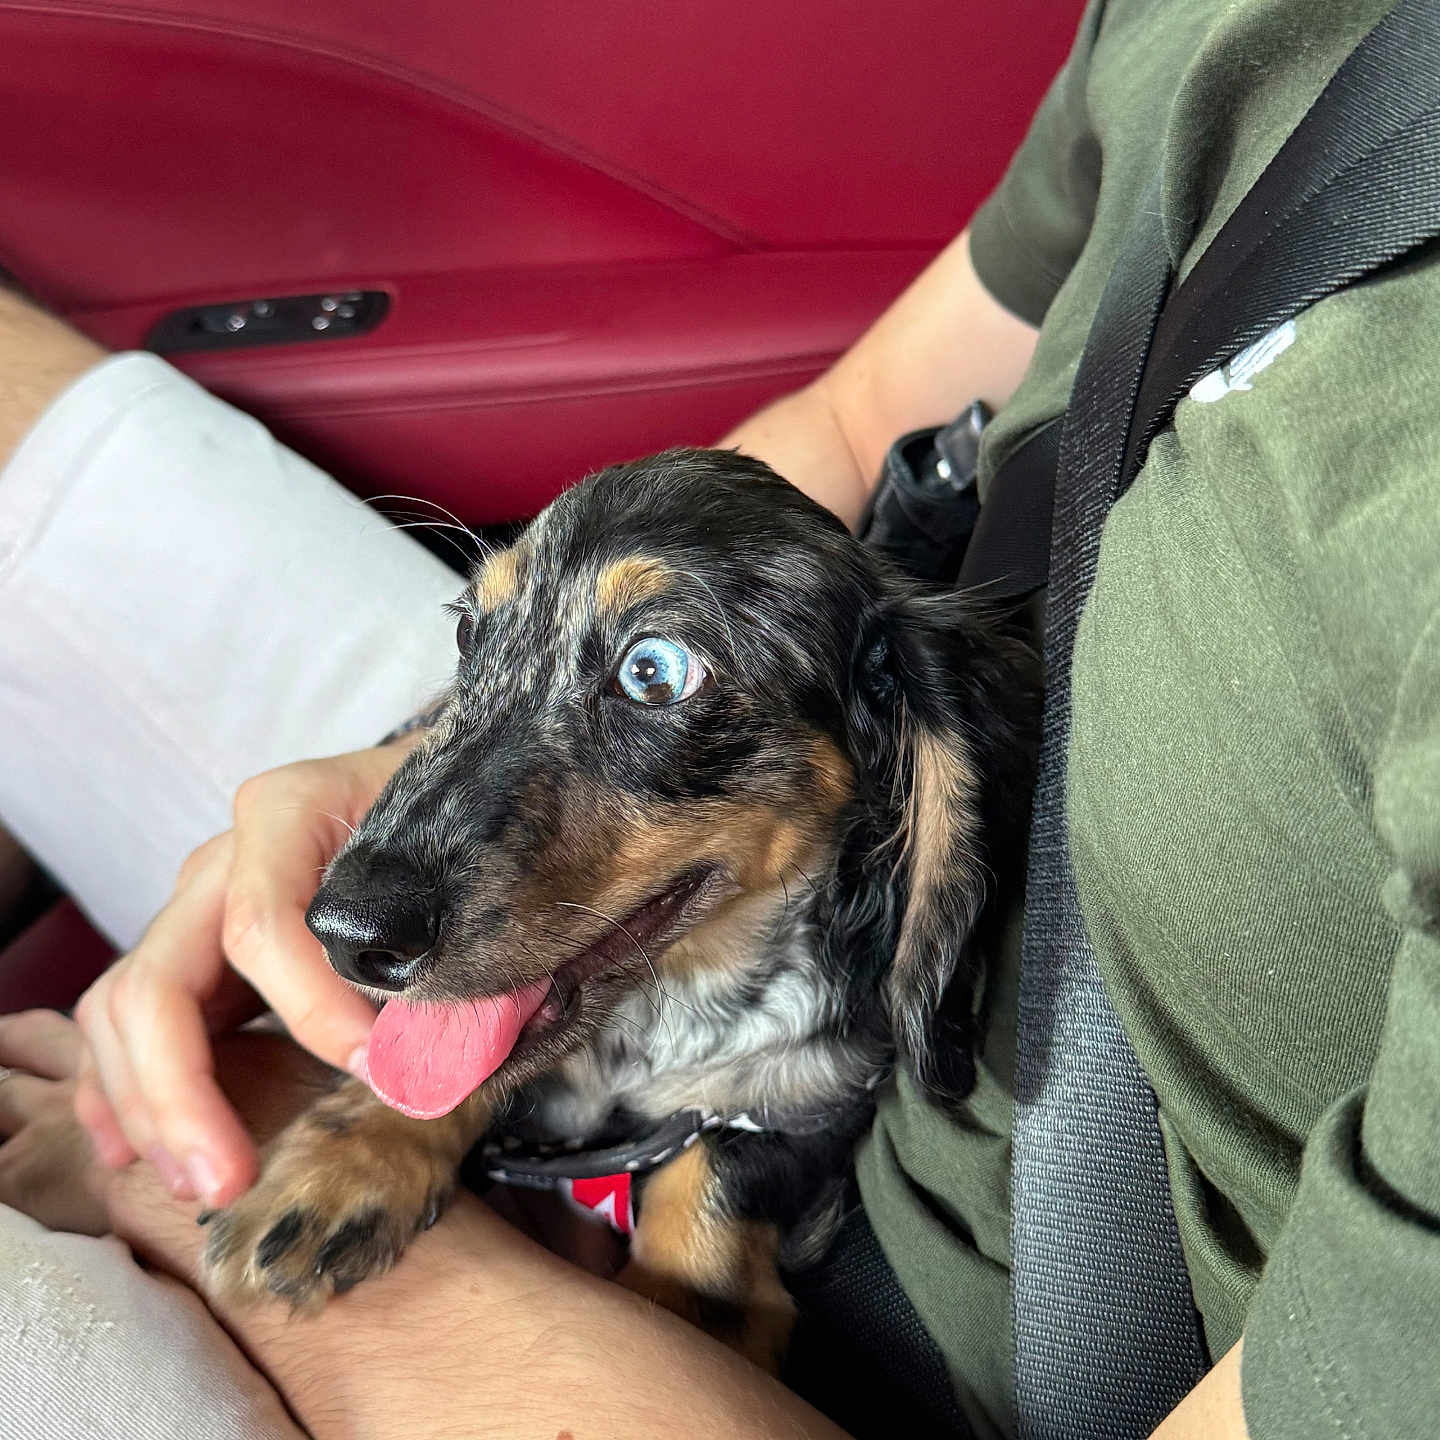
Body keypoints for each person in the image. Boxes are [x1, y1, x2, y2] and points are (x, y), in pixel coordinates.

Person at [1, 0, 1434, 1435]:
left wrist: (200, 1161)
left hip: (800, 1335)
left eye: (656, 677)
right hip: (681, 884)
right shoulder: (1233, 26)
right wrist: (414, 757)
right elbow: (858, 425)